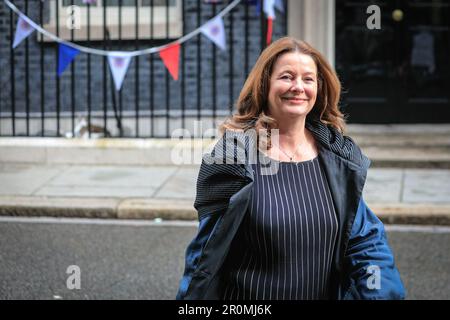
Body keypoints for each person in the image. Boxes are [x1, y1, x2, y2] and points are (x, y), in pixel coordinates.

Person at [176, 37, 405, 300]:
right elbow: (204, 259)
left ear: (318, 88)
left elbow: (366, 243)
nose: (298, 87)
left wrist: (375, 294)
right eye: (286, 77)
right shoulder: (233, 160)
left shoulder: (338, 157)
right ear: (265, 84)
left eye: (308, 79)